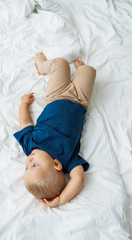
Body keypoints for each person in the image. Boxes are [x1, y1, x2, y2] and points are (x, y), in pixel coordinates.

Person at [13, 53, 96, 207]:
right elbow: (78, 179)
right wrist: (61, 199)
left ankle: (42, 66)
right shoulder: (67, 159)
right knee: (89, 71)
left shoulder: (30, 145)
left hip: (56, 96)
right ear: (56, 165)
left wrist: (23, 104)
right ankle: (81, 70)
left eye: (26, 167)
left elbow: (25, 122)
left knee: (60, 63)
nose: (29, 161)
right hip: (80, 101)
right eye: (34, 165)